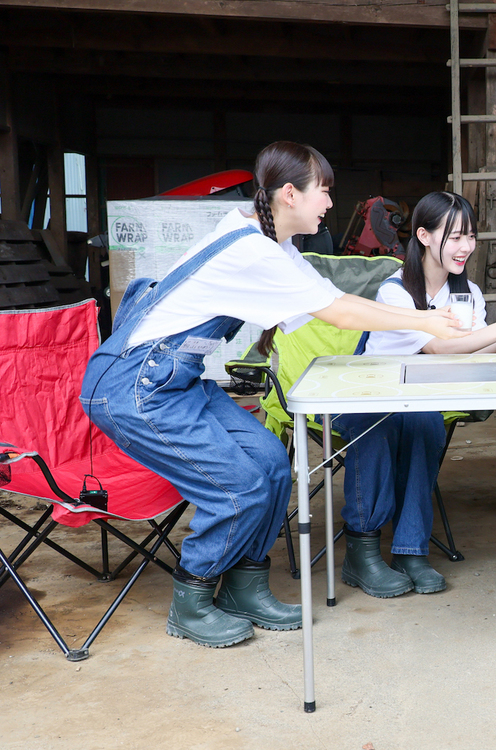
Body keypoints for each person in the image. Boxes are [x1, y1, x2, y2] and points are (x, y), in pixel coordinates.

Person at [80, 141, 463, 649]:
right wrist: (423, 318)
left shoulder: (270, 240)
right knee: (237, 487)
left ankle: (245, 586)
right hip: (135, 386)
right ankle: (191, 599)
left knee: (272, 464)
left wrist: (421, 319)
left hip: (177, 379)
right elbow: (340, 315)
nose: (329, 202)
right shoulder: (251, 249)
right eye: (323, 191)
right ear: (289, 194)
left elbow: (337, 300)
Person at [337, 191, 496, 597]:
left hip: (419, 402)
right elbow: (437, 346)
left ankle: (410, 551)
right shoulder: (395, 292)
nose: (466, 246)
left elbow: (477, 355)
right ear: (425, 236)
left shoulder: (467, 292)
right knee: (378, 430)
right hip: (369, 398)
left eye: (470, 235)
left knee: (424, 424)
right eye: (454, 236)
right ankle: (361, 554)